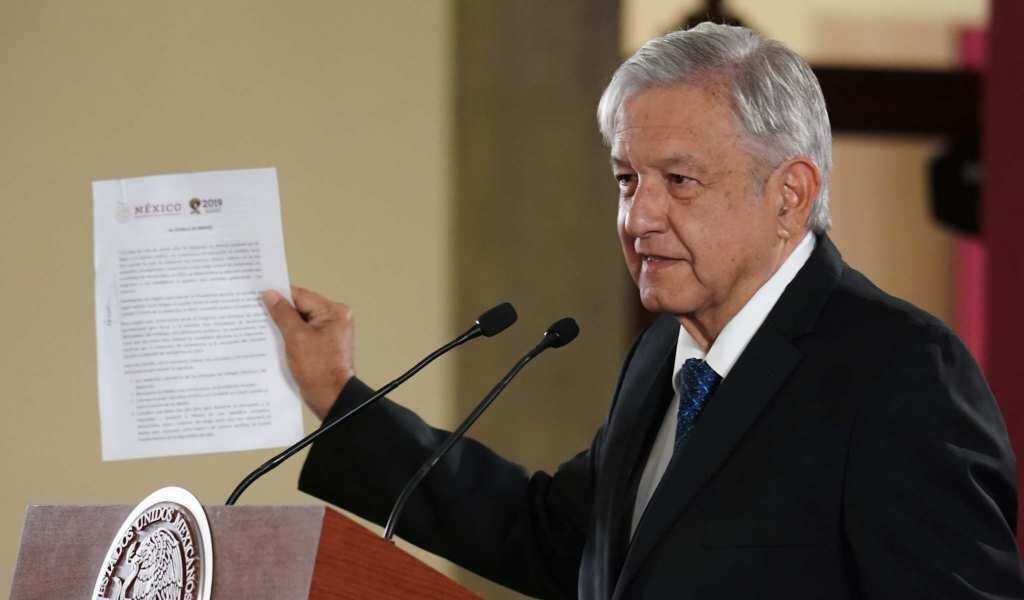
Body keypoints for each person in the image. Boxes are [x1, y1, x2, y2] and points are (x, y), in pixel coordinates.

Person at [263, 23, 1024, 599]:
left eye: (679, 181)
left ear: (789, 195)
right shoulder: (664, 355)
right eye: (627, 179)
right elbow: (553, 539)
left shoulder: (898, 373)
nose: (638, 217)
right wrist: (337, 395)